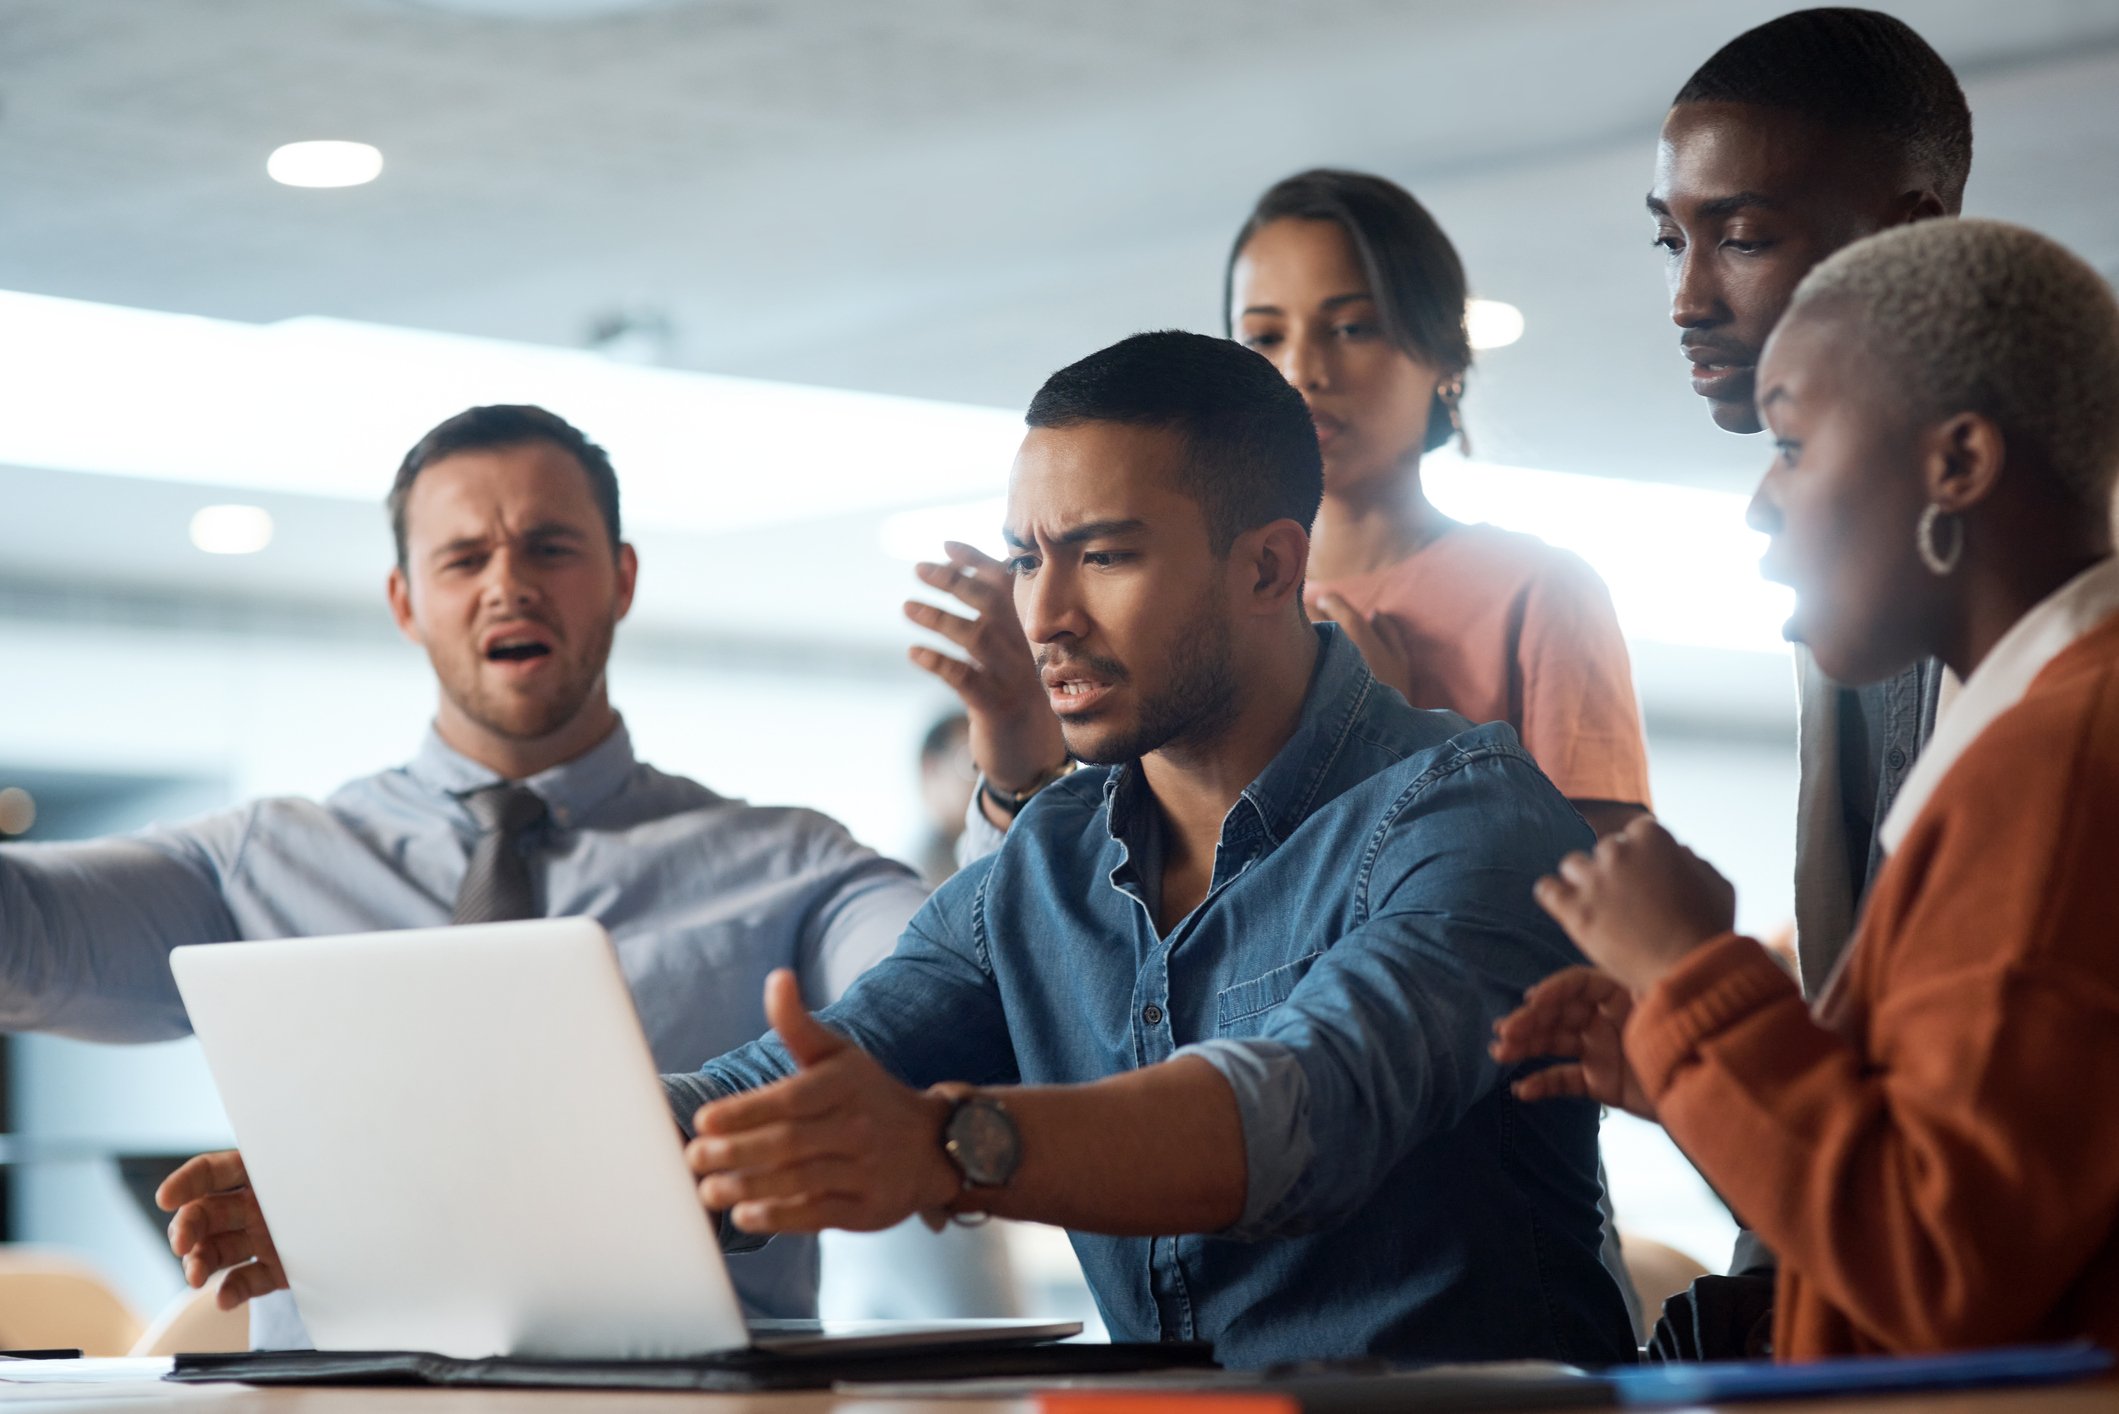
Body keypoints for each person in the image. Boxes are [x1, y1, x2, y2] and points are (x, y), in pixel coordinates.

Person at [168, 331, 1639, 1369]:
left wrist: (945, 1146)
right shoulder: (1055, 851)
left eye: (1104, 554)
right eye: (1023, 556)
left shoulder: (1461, 811)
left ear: (1267, 565)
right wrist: (375, 1178)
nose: (1041, 614)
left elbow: (1299, 1109)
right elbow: (785, 1091)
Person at [2, 405, 929, 1340]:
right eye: (463, 558)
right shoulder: (254, 862)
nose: (508, 585)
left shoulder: (795, 864)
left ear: (621, 578)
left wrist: (1013, 794)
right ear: (405, 601)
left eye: (549, 547)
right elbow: (23, 935)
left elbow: (951, 986)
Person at [1495, 219, 2119, 1358]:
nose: (1759, 505)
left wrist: (1697, 977)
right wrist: (1688, 1067)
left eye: (1791, 445)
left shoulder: (2060, 759)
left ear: (1958, 465)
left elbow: (1937, 1266)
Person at [1648, 6, 1972, 991]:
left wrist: (1701, 993)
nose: (1687, 299)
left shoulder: (2073, 534)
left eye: (1741, 239)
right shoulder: (1837, 541)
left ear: (1909, 236)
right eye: (1671, 242)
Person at [1228, 168, 1652, 839]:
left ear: (1444, 356)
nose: (1300, 370)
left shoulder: (1537, 592)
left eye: (1350, 328)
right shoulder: (1210, 597)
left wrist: (1398, 736)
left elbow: (1603, 894)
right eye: (1264, 337)